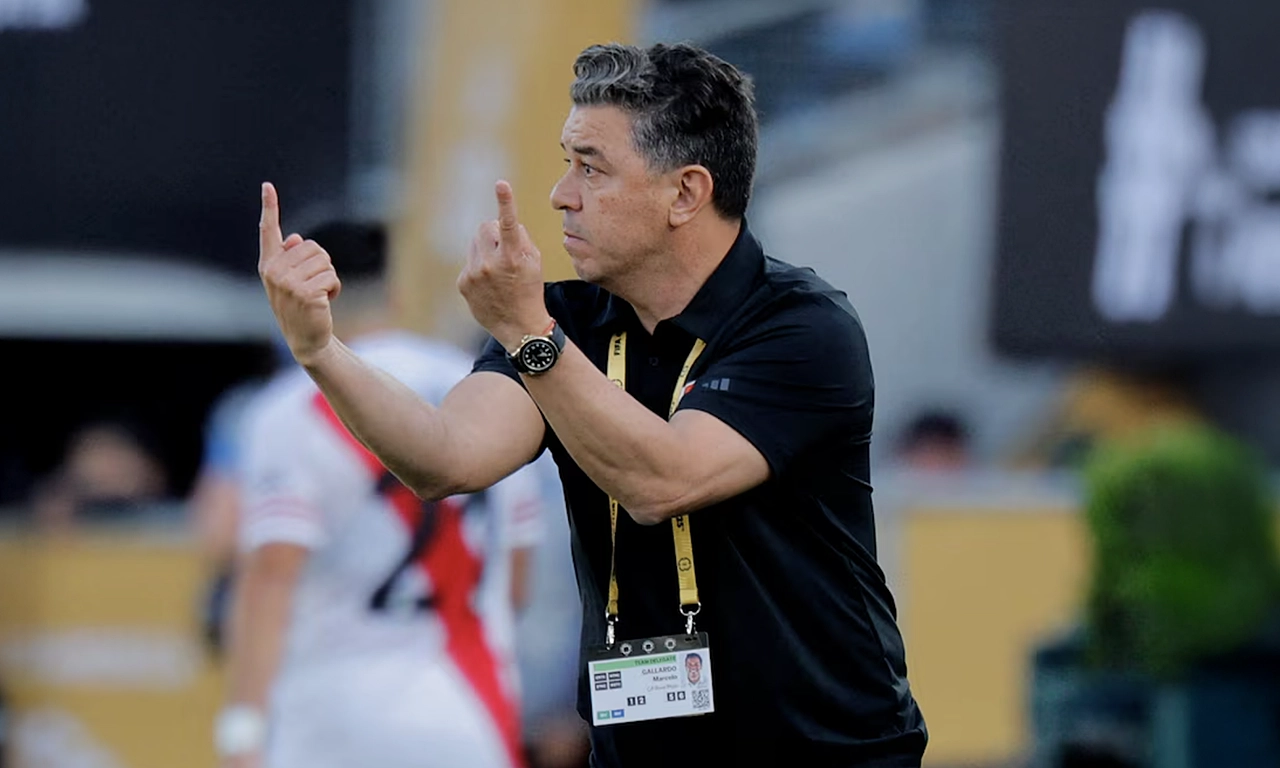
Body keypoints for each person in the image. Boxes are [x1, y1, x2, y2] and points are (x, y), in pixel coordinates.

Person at [256, 42, 926, 767]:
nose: (560, 193)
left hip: (823, 752)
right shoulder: (567, 320)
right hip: (642, 751)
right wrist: (321, 351)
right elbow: (444, 457)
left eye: (591, 167)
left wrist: (525, 332)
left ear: (685, 193)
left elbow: (662, 482)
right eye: (566, 160)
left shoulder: (801, 326)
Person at [218, 217, 547, 768]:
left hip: (333, 717)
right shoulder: (486, 387)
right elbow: (516, 578)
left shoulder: (290, 407)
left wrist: (241, 728)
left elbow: (271, 574)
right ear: (393, 292)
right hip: (471, 710)